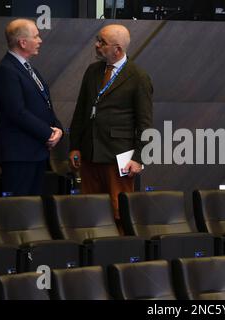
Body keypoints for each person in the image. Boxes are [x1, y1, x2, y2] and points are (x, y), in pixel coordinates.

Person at [69, 24, 153, 229]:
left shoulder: (138, 76)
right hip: (89, 154)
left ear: (117, 49)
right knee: (89, 210)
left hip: (119, 157)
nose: (96, 45)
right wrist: (74, 146)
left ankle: (120, 252)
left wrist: (139, 158)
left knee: (118, 211)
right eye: (98, 40)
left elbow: (145, 123)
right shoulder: (92, 71)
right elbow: (81, 111)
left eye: (102, 42)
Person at [0, 19, 62, 196]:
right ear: (23, 42)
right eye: (36, 36)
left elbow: (45, 104)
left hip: (36, 152)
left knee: (33, 212)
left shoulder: (29, 69)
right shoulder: (6, 70)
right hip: (19, 155)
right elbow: (17, 112)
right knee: (18, 213)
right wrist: (48, 133)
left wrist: (58, 129)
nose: (40, 40)